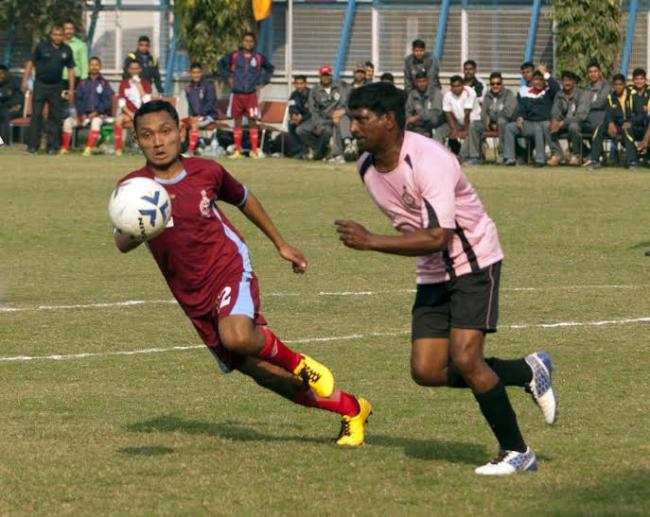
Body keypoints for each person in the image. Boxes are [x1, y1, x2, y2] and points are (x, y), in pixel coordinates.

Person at [113, 99, 371, 447]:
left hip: (228, 268)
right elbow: (121, 242)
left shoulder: (207, 171)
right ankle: (351, 408)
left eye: (165, 131)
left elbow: (244, 198)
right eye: (147, 135)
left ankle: (302, 364)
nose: (158, 142)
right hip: (192, 297)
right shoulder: (132, 188)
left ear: (181, 132)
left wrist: (280, 243)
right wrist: (142, 225)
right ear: (136, 140)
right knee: (270, 377)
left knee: (236, 336)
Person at [338, 82, 557, 476]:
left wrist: (371, 241)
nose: (353, 128)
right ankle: (526, 371)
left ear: (389, 121)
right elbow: (416, 229)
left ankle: (517, 451)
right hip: (433, 269)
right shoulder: (365, 166)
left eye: (361, 119)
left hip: (473, 260)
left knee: (466, 358)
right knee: (426, 370)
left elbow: (439, 236)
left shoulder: (429, 160)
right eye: (352, 119)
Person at [218, 32, 274, 159]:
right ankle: (237, 151)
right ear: (242, 42)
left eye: (250, 41)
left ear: (254, 43)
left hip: (251, 95)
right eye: (246, 40)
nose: (248, 43)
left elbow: (270, 69)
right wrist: (228, 77)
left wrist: (262, 82)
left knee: (252, 121)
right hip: (237, 94)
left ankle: (254, 151)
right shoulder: (234, 56)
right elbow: (220, 65)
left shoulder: (258, 57)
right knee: (237, 121)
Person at [21, 24, 75, 154]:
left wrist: (71, 89)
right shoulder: (41, 47)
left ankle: (52, 146)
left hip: (56, 86)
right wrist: (25, 80)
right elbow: (30, 63)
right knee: (36, 115)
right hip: (40, 85)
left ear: (63, 36)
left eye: (60, 35)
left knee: (55, 117)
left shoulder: (66, 50)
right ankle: (33, 146)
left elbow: (71, 70)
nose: (57, 37)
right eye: (55, 35)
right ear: (51, 35)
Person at [297, 65, 354, 162]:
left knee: (327, 131)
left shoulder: (341, 85)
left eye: (327, 75)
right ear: (319, 76)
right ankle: (321, 150)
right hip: (322, 119)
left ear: (331, 75)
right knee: (301, 130)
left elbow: (353, 97)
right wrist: (320, 124)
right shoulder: (314, 91)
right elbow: (313, 110)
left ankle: (320, 153)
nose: (325, 77)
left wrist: (344, 111)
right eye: (323, 75)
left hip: (339, 117)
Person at [588, 74, 645, 170]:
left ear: (624, 84)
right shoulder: (611, 97)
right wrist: (610, 124)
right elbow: (608, 114)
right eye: (616, 84)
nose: (618, 87)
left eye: (620, 84)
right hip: (618, 126)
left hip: (635, 127)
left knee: (627, 130)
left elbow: (641, 115)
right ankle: (595, 160)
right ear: (613, 85)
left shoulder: (633, 95)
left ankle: (632, 162)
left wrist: (631, 122)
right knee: (599, 129)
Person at [60, 56, 114, 156]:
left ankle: (88, 149)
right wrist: (83, 113)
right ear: (88, 67)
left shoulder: (104, 84)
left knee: (96, 122)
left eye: (96, 65)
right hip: (83, 116)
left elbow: (107, 102)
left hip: (99, 115)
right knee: (68, 122)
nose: (94, 67)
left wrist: (96, 112)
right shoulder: (83, 83)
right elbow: (78, 100)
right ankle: (64, 148)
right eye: (92, 65)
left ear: (100, 67)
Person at [504, 70, 559, 167]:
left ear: (544, 81)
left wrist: (545, 74)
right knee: (509, 127)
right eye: (536, 79)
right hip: (529, 123)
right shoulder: (527, 94)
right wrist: (520, 117)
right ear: (532, 81)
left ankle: (540, 160)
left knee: (538, 128)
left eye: (540, 80)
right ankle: (510, 158)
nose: (538, 82)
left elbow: (557, 89)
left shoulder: (548, 92)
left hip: (543, 122)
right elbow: (522, 109)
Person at [469, 71, 517, 164]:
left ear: (502, 83)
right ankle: (475, 157)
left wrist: (494, 121)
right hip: (489, 123)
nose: (495, 86)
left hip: (504, 123)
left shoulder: (508, 94)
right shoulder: (487, 96)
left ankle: (502, 154)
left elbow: (508, 112)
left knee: (502, 122)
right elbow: (483, 113)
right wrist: (488, 122)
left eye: (498, 83)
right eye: (493, 84)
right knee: (474, 125)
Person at [548, 71, 589, 166]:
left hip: (579, 123)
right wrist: (554, 120)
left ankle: (576, 156)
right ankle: (557, 154)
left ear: (574, 81)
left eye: (569, 80)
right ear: (561, 82)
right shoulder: (559, 94)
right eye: (564, 80)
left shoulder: (581, 94)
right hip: (561, 124)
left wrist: (563, 122)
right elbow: (555, 110)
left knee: (573, 127)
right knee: (547, 126)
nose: (567, 83)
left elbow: (581, 116)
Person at [115, 59, 153, 156]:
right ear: (128, 70)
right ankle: (118, 149)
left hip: (142, 113)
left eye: (136, 68)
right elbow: (122, 104)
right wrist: (131, 114)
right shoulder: (124, 84)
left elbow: (146, 101)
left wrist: (139, 85)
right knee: (118, 119)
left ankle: (144, 147)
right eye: (132, 69)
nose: (134, 71)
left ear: (140, 69)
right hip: (128, 113)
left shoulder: (145, 83)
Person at [442, 75, 481, 161]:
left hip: (475, 121)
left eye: (458, 86)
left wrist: (466, 130)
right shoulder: (447, 95)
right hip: (458, 122)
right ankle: (438, 156)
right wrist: (454, 129)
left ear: (463, 85)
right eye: (454, 86)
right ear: (451, 86)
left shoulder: (470, 92)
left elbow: (467, 113)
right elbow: (447, 113)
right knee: (440, 130)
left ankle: (471, 157)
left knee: (471, 129)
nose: (456, 88)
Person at [183, 62, 218, 155]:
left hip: (209, 115)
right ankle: (182, 149)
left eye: (198, 72)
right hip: (196, 116)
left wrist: (200, 115)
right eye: (194, 73)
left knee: (194, 124)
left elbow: (210, 103)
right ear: (191, 73)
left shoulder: (209, 86)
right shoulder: (189, 88)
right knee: (180, 124)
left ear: (201, 73)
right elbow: (190, 106)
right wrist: (191, 116)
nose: (196, 75)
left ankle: (190, 151)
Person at [582, 62, 610, 166]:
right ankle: (589, 153)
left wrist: (585, 105)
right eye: (590, 72)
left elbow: (601, 103)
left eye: (595, 71)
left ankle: (597, 156)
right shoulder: (586, 87)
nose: (593, 74)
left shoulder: (606, 87)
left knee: (596, 128)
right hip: (586, 118)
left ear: (600, 73)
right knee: (573, 127)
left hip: (601, 118)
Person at [405, 70, 446, 143]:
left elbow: (436, 112)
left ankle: (427, 133)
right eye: (419, 82)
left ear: (427, 81)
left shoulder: (436, 92)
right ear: (416, 83)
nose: (421, 84)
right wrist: (409, 119)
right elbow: (408, 111)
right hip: (419, 125)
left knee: (434, 119)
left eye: (423, 81)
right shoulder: (412, 94)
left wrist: (418, 117)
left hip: (433, 124)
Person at [287, 74, 311, 158]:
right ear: (294, 84)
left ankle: (305, 150)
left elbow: (313, 111)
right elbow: (291, 107)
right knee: (291, 124)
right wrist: (294, 115)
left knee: (301, 127)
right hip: (299, 119)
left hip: (310, 119)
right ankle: (299, 150)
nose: (299, 86)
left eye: (301, 83)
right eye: (297, 84)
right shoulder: (293, 94)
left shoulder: (312, 94)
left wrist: (302, 118)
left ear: (305, 84)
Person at [0, 64, 24, 144]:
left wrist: (17, 105)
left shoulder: (13, 82)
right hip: (3, 109)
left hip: (15, 108)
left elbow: (20, 97)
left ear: (5, 73)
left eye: (1, 73)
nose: (0, 76)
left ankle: (4, 142)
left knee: (4, 115)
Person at [61, 19, 88, 86]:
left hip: (76, 80)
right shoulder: (57, 44)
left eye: (71, 29)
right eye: (67, 29)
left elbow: (84, 65)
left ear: (74, 30)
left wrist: (84, 81)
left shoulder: (81, 45)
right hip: (59, 79)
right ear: (62, 30)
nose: (69, 31)